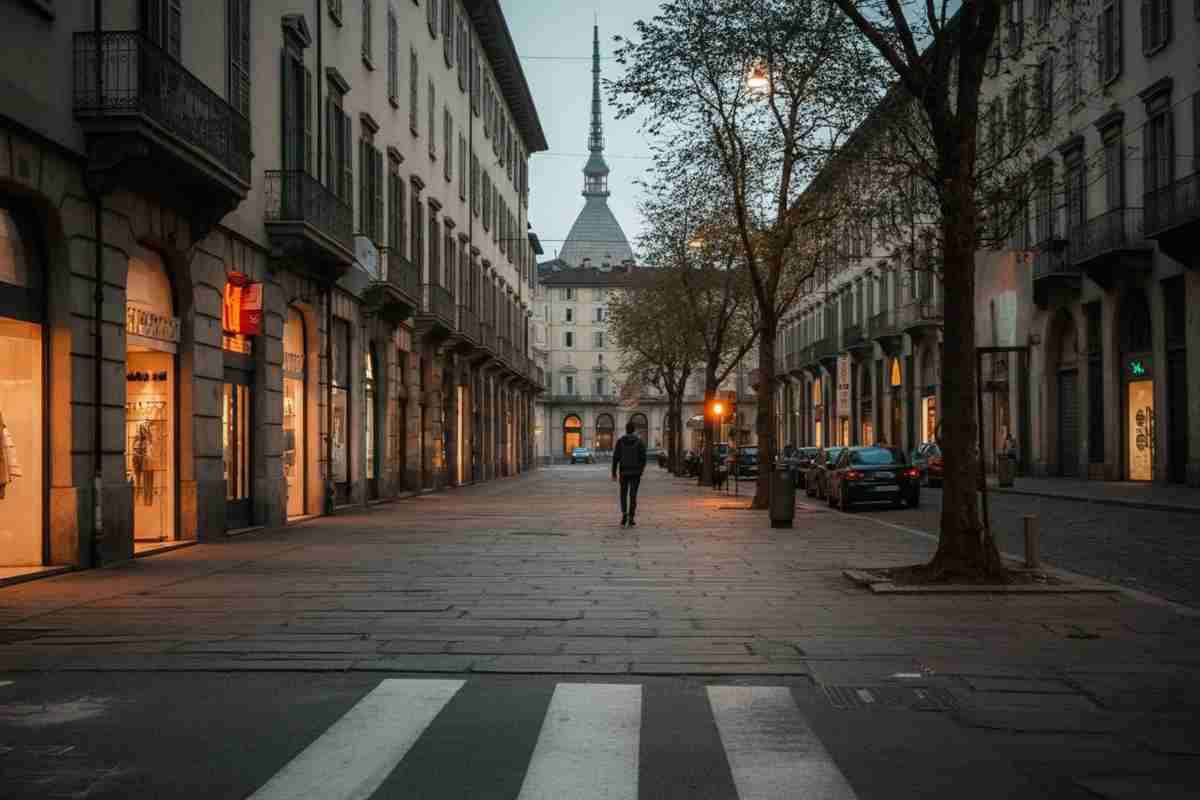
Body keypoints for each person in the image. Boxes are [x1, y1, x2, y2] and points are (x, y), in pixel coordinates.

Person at [611, 421, 647, 528]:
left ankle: (624, 514)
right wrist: (641, 470)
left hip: (623, 472)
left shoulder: (620, 441)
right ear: (634, 430)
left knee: (623, 494)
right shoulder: (639, 442)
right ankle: (631, 517)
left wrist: (614, 472)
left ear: (626, 429)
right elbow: (643, 458)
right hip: (636, 473)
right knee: (633, 495)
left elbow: (615, 458)